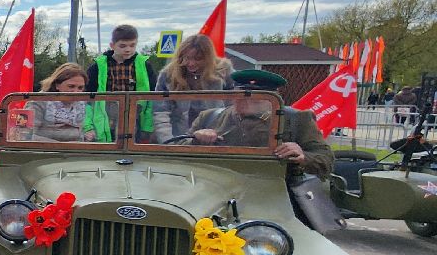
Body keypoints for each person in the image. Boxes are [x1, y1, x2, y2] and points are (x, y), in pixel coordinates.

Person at [191, 69, 334, 182]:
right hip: (216, 184)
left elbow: (325, 160)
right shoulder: (209, 117)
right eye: (241, 95)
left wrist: (303, 156)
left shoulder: (297, 119)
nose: (246, 101)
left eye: (256, 98)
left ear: (274, 99)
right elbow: (178, 148)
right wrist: (196, 140)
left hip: (276, 187)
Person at [150, 33, 234, 142]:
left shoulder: (223, 72)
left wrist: (224, 136)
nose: (191, 63)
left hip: (215, 137)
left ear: (208, 58)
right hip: (178, 138)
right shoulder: (168, 75)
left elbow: (232, 108)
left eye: (197, 59)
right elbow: (161, 111)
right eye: (187, 58)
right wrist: (168, 142)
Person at [85, 23, 159, 141]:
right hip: (106, 112)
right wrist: (88, 123)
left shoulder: (144, 65)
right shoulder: (98, 66)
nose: (128, 49)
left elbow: (153, 94)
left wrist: (148, 124)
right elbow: (88, 95)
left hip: (134, 112)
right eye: (123, 46)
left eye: (132, 45)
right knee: (108, 140)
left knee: (131, 140)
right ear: (112, 46)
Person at [28, 62, 95, 142]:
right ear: (57, 85)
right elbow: (27, 135)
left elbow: (79, 135)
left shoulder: (81, 104)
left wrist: (86, 136)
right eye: (71, 86)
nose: (76, 91)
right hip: (43, 149)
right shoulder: (38, 102)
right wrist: (61, 146)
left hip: (74, 148)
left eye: (80, 88)